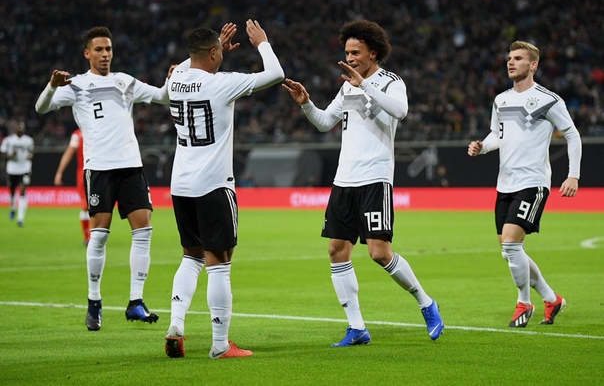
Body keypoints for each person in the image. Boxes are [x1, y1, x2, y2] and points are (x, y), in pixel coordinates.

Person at [282, 20, 444, 346]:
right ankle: (356, 327)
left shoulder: (391, 82)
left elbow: (400, 111)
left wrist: (365, 85)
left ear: (373, 52)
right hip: (344, 179)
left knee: (379, 253)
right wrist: (306, 104)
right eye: (347, 52)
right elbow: (325, 122)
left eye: (356, 52)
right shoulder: (347, 87)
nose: (350, 57)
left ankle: (426, 303)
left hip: (374, 178)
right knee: (336, 250)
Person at [35, 26, 173, 331]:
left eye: (108, 49)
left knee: (144, 229)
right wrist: (51, 86)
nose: (105, 54)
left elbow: (162, 96)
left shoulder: (125, 81)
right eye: (99, 49)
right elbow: (41, 107)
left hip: (131, 166)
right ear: (87, 53)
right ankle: (94, 301)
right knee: (99, 235)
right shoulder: (76, 85)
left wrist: (171, 78)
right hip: (99, 169)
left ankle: (135, 302)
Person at [163, 20, 284, 359]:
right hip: (213, 185)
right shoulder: (222, 84)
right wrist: (262, 43)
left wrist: (213, 51)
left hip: (180, 184)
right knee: (219, 263)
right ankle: (219, 345)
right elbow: (276, 74)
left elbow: (190, 63)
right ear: (215, 53)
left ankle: (176, 324)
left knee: (191, 256)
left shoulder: (174, 80)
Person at [468, 40, 582, 328]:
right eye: (509, 57)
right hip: (505, 184)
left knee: (511, 244)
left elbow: (572, 135)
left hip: (533, 182)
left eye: (518, 58)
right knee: (509, 249)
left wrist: (573, 175)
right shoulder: (501, 100)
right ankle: (551, 298)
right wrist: (482, 147)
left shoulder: (548, 99)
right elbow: (497, 134)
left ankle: (524, 303)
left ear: (533, 65)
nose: (511, 62)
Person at [54, 129, 90, 245]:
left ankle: (93, 237)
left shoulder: (81, 133)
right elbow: (70, 151)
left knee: (95, 207)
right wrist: (60, 172)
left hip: (97, 172)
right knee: (87, 206)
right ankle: (88, 237)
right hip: (86, 173)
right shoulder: (78, 134)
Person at [1, 121, 34, 227]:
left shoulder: (28, 140)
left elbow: (31, 152)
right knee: (12, 190)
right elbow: (2, 154)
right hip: (12, 169)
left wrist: (30, 156)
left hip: (25, 168)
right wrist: (11, 156)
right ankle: (12, 207)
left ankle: (20, 218)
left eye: (22, 128)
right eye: (19, 127)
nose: (20, 129)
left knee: (22, 190)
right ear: (15, 129)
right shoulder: (8, 140)